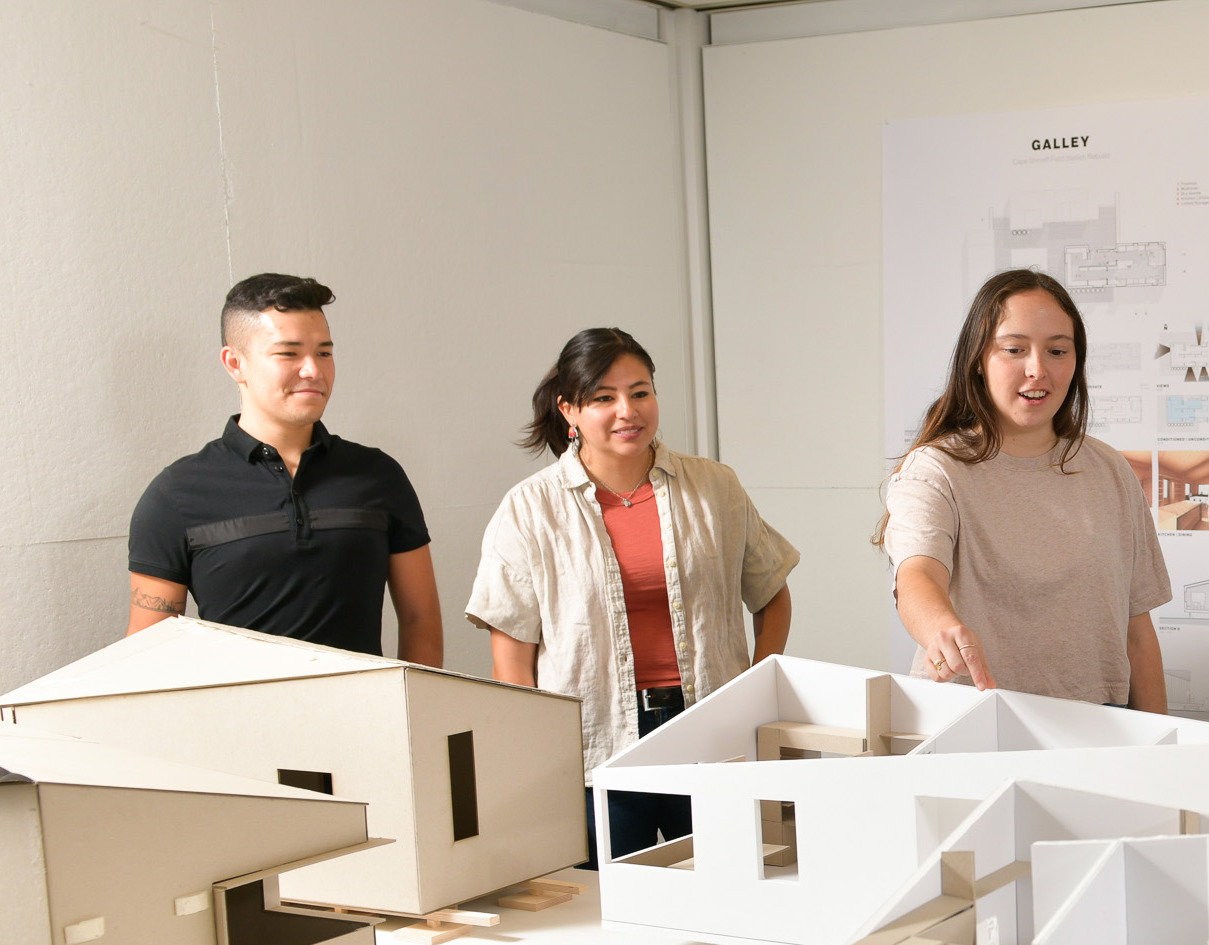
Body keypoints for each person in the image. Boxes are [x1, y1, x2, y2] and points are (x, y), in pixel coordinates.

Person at [467, 328, 797, 866]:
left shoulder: (715, 487)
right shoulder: (530, 509)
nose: (628, 410)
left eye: (640, 392)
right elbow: (512, 653)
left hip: (709, 730)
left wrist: (756, 688)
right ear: (569, 410)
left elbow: (771, 593)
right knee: (606, 903)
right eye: (604, 397)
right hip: (596, 740)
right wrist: (537, 753)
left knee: (730, 879)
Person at [880, 269, 1170, 710]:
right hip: (971, 721)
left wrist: (1159, 750)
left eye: (1057, 351)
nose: (1037, 370)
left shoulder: (1109, 470)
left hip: (1098, 730)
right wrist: (941, 627)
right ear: (978, 359)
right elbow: (917, 574)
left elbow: (1138, 633)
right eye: (1014, 350)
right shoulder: (937, 469)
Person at [127, 274, 444, 663]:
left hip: (368, 719)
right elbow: (148, 654)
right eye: (289, 354)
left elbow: (420, 620)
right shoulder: (175, 494)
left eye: (324, 353)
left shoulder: (379, 475)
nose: (313, 370)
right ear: (235, 363)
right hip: (236, 721)